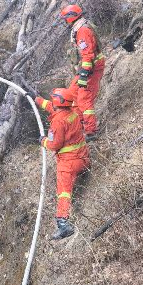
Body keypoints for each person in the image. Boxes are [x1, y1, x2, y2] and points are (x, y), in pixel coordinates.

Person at [34, 88, 90, 239]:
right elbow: (51, 106)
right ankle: (84, 175)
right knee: (77, 174)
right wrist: (37, 100)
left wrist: (43, 141)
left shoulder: (58, 122)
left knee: (64, 192)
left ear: (58, 102)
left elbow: (54, 145)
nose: (51, 102)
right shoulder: (72, 113)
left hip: (68, 164)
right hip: (83, 159)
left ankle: (63, 224)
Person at [59, 4, 105, 138]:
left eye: (65, 18)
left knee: (84, 99)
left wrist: (84, 75)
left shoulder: (83, 31)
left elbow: (88, 55)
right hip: (85, 68)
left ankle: (91, 131)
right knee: (72, 94)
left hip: (92, 68)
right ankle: (77, 126)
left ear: (70, 17)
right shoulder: (78, 27)